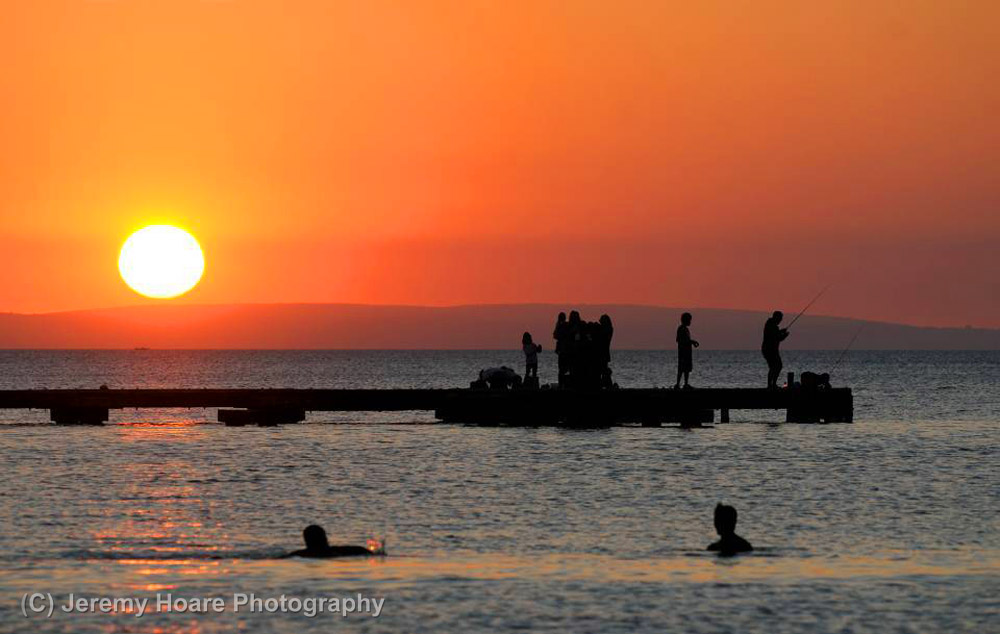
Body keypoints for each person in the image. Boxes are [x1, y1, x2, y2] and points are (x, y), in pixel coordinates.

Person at [284, 525, 378, 558]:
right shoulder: (343, 551)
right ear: (325, 538)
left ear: (306, 541)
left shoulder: (298, 555)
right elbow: (366, 552)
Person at [762, 311, 789, 389]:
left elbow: (775, 334)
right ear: (776, 317)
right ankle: (771, 385)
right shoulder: (772, 326)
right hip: (770, 350)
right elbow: (777, 338)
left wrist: (781, 331)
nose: (780, 320)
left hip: (770, 349)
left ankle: (772, 384)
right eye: (780, 318)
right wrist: (784, 336)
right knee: (776, 366)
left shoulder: (770, 324)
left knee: (775, 366)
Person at [674, 312, 699, 389]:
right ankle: (678, 384)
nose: (690, 322)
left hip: (687, 352)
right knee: (681, 368)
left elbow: (686, 340)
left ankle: (685, 384)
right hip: (683, 352)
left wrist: (692, 342)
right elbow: (679, 340)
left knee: (686, 369)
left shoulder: (686, 329)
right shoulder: (681, 329)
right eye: (689, 320)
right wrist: (692, 342)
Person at [553, 313, 569, 386]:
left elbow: (555, 335)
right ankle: (564, 383)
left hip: (562, 350)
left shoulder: (559, 326)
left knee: (561, 369)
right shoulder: (564, 325)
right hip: (565, 349)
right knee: (565, 368)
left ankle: (561, 384)